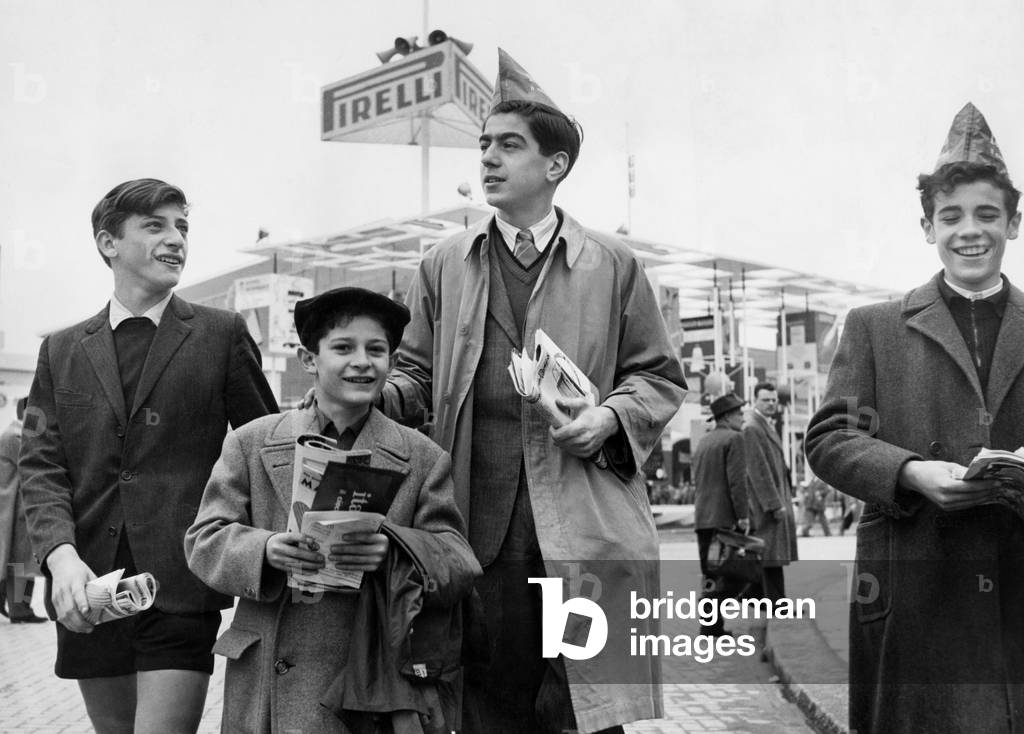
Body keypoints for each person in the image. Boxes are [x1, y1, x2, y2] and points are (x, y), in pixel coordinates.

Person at [380, 49, 687, 734]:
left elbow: (659, 376)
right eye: (484, 145)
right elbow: (416, 375)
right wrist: (373, 389)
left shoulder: (614, 265)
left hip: (582, 529)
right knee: (486, 708)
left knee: (585, 710)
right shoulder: (442, 265)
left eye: (508, 146)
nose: (487, 158)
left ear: (555, 166)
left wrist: (610, 417)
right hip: (472, 529)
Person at [19, 179, 278, 734]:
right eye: (156, 225)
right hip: (86, 585)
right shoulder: (61, 350)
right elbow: (41, 465)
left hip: (182, 581)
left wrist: (257, 552)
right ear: (108, 243)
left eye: (182, 227)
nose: (176, 239)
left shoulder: (221, 334)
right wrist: (60, 557)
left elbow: (265, 450)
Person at [805, 102, 1024, 734]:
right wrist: (911, 471)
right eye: (950, 216)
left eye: (987, 214)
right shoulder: (876, 327)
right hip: (918, 592)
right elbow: (831, 438)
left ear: (1014, 221)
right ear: (927, 228)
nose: (969, 231)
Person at [185, 286, 480, 733]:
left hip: (369, 686)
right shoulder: (251, 441)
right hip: (268, 682)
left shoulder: (421, 457)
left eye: (376, 350)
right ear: (309, 360)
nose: (362, 361)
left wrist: (394, 554)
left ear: (392, 364)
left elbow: (457, 559)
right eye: (343, 347)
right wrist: (265, 550)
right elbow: (204, 540)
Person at [690, 393, 750, 637]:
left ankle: (710, 626)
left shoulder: (704, 442)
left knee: (710, 573)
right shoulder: (735, 439)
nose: (743, 418)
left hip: (703, 517)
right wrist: (743, 516)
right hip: (723, 519)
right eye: (739, 413)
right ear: (726, 416)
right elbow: (737, 482)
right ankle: (714, 622)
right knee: (736, 572)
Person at [742, 382, 797, 602]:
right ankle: (775, 602)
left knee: (769, 554)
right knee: (769, 554)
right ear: (755, 400)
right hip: (765, 505)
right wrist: (775, 504)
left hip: (771, 501)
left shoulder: (763, 424)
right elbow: (758, 471)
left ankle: (757, 597)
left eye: (773, 400)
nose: (771, 404)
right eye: (766, 400)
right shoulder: (753, 427)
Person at [0, 397, 44, 623]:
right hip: (16, 513)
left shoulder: (12, 434)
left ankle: (18, 607)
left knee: (18, 564)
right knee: (20, 565)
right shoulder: (16, 437)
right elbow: (34, 465)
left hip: (16, 511)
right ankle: (20, 610)